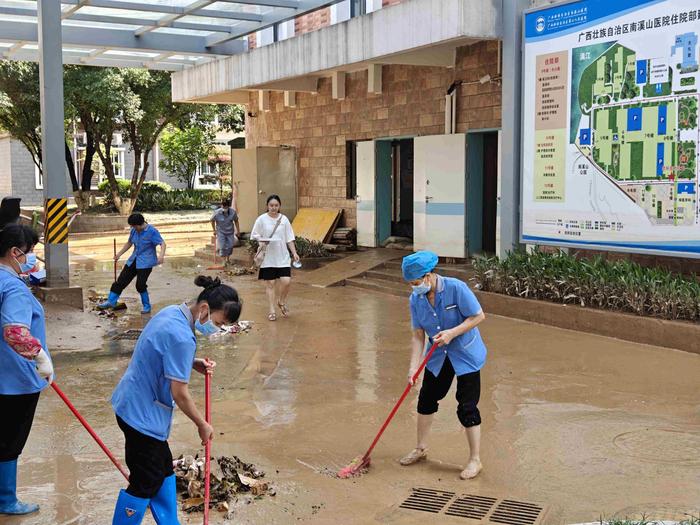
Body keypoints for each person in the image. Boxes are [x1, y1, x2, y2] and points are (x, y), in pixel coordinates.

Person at [110, 275, 242, 525]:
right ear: (204, 309)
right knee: (145, 481)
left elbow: (158, 351)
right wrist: (202, 424)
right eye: (218, 322)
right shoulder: (182, 336)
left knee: (163, 470)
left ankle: (169, 521)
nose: (216, 328)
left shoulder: (172, 313)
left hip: (133, 405)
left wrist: (191, 364)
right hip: (142, 416)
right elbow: (179, 393)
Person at [399, 251, 487, 480]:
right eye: (410, 283)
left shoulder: (456, 288)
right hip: (437, 356)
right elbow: (418, 335)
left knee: (466, 407)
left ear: (428, 276)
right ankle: (420, 448)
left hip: (466, 354)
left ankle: (475, 460)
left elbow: (478, 316)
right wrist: (413, 367)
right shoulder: (415, 299)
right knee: (426, 399)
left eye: (416, 282)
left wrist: (452, 333)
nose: (413, 287)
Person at [0, 224, 53, 515]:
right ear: (15, 253)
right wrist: (40, 358)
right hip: (17, 381)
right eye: (30, 253)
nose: (32, 259)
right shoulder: (13, 287)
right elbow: (15, 333)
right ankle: (6, 499)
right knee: (10, 441)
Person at [98, 213, 166, 315]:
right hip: (133, 260)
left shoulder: (152, 231)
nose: (133, 228)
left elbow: (162, 243)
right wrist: (119, 254)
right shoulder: (134, 230)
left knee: (140, 285)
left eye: (134, 226)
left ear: (140, 224)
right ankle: (111, 301)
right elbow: (129, 243)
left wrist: (161, 256)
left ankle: (146, 306)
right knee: (121, 281)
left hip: (146, 263)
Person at [250, 195, 300, 321]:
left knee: (286, 281)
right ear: (267, 206)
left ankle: (281, 301)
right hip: (268, 257)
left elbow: (289, 238)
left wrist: (294, 253)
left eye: (276, 205)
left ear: (279, 206)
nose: (273, 208)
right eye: (271, 205)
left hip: (282, 256)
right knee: (270, 284)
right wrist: (262, 239)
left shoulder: (284, 220)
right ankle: (272, 310)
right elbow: (254, 235)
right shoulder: (261, 219)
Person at [210, 194, 240, 265]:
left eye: (226, 206)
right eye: (223, 206)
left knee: (230, 246)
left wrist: (238, 231)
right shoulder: (217, 212)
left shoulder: (232, 212)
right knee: (222, 246)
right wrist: (214, 230)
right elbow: (212, 221)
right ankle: (223, 261)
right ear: (221, 206)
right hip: (221, 232)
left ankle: (227, 259)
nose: (225, 208)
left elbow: (236, 221)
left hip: (230, 232)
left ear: (228, 206)